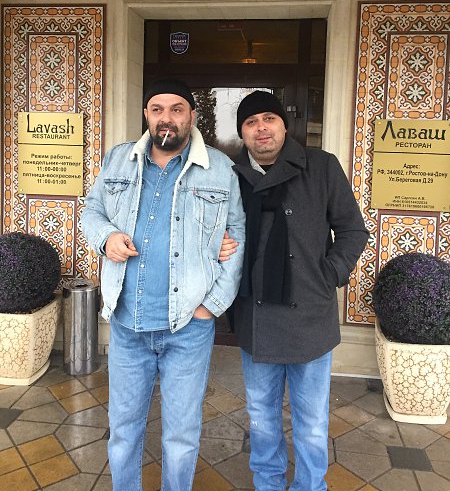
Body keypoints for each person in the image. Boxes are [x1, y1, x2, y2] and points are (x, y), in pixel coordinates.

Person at [80, 79, 245, 491]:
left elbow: (238, 236)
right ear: (146, 115)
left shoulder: (221, 169)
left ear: (192, 116)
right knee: (123, 431)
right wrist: (105, 237)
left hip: (187, 327)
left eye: (176, 109)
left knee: (181, 436)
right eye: (157, 109)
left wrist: (211, 306)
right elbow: (92, 210)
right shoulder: (118, 159)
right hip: (127, 323)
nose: (166, 118)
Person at [225, 91, 368, 491]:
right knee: (261, 416)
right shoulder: (231, 175)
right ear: (242, 133)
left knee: (312, 420)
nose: (261, 128)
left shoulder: (321, 167)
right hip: (256, 319)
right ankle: (268, 484)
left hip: (310, 316)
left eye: (268, 118)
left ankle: (310, 486)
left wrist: (329, 274)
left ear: (284, 126)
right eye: (251, 122)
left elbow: (353, 230)